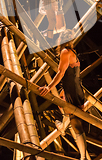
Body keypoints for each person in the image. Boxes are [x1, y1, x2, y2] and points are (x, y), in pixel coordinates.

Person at [39, 30, 87, 160]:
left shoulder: (65, 52)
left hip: (72, 90)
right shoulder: (73, 52)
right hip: (75, 88)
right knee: (62, 104)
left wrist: (48, 87)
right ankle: (62, 126)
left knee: (76, 124)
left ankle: (83, 157)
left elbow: (61, 73)